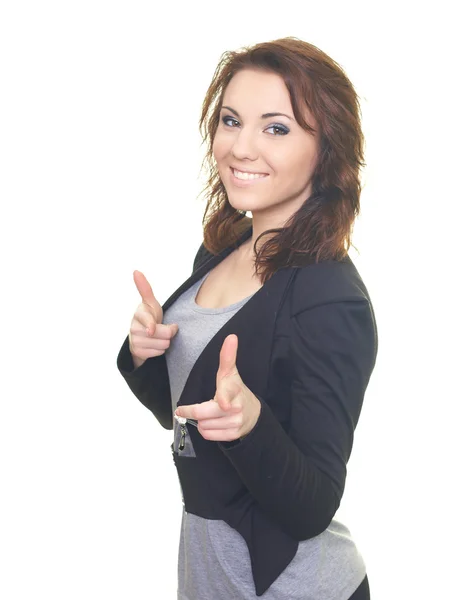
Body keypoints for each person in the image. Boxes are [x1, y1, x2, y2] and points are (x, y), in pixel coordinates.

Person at [116, 36, 377, 600]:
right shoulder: (221, 249)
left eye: (276, 128)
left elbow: (312, 505)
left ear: (325, 149)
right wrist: (146, 352)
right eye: (231, 121)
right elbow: (186, 417)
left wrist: (251, 425)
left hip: (295, 587)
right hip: (209, 574)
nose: (241, 147)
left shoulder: (332, 299)